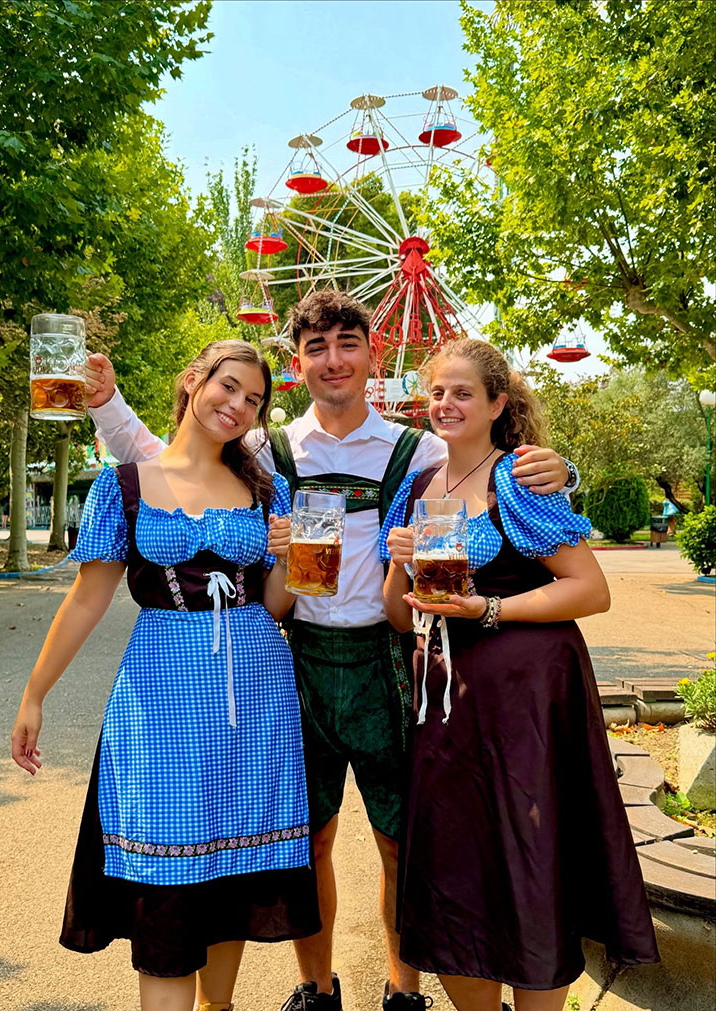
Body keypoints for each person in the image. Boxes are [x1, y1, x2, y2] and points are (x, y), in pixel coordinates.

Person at [85, 290, 575, 1011]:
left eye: (348, 343)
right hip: (295, 660)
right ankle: (316, 987)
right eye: (317, 347)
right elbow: (166, 463)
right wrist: (106, 404)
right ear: (296, 363)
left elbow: (495, 465)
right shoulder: (265, 447)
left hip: (390, 661)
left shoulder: (421, 450)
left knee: (401, 843)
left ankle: (402, 988)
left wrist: (559, 470)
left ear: (372, 355)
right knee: (303, 843)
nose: (333, 359)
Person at [11, 340, 320, 1011]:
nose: (236, 405)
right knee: (169, 879)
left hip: (254, 693)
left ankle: (219, 1006)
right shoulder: (123, 484)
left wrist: (288, 559)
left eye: (253, 399)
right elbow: (87, 597)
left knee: (231, 866)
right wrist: (35, 692)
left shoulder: (267, 489)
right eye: (227, 386)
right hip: (160, 697)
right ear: (193, 380)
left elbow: (276, 604)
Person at [381, 338, 659, 1011]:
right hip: (447, 706)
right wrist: (397, 564)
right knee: (455, 863)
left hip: (529, 700)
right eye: (438, 392)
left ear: (496, 403)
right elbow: (396, 617)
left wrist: (488, 607)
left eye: (462, 392)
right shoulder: (418, 490)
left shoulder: (518, 478)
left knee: (533, 858)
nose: (445, 403)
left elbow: (590, 589)